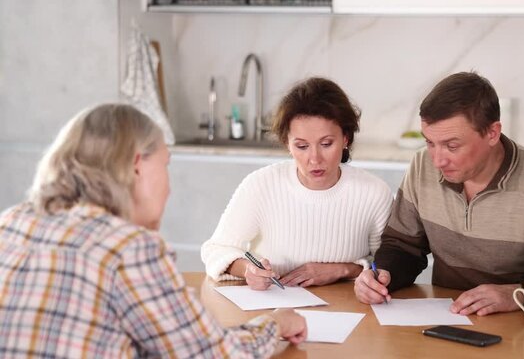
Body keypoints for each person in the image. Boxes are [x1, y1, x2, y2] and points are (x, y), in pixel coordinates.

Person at [0, 104, 306, 357]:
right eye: (165, 165)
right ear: (137, 166)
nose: (169, 188)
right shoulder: (128, 247)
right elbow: (213, 356)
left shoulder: (12, 221)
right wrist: (274, 324)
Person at [354, 72, 524, 315]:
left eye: (451, 145)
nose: (437, 160)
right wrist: (383, 274)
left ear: (492, 133)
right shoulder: (421, 167)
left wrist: (519, 294)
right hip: (448, 321)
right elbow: (404, 247)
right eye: (430, 143)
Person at [201, 77, 393, 290]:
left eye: (326, 144)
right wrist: (248, 269)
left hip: (351, 309)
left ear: (346, 138)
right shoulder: (262, 185)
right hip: (277, 309)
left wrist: (343, 269)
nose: (314, 159)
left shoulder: (374, 193)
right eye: (301, 146)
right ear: (288, 144)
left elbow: (388, 266)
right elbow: (216, 249)